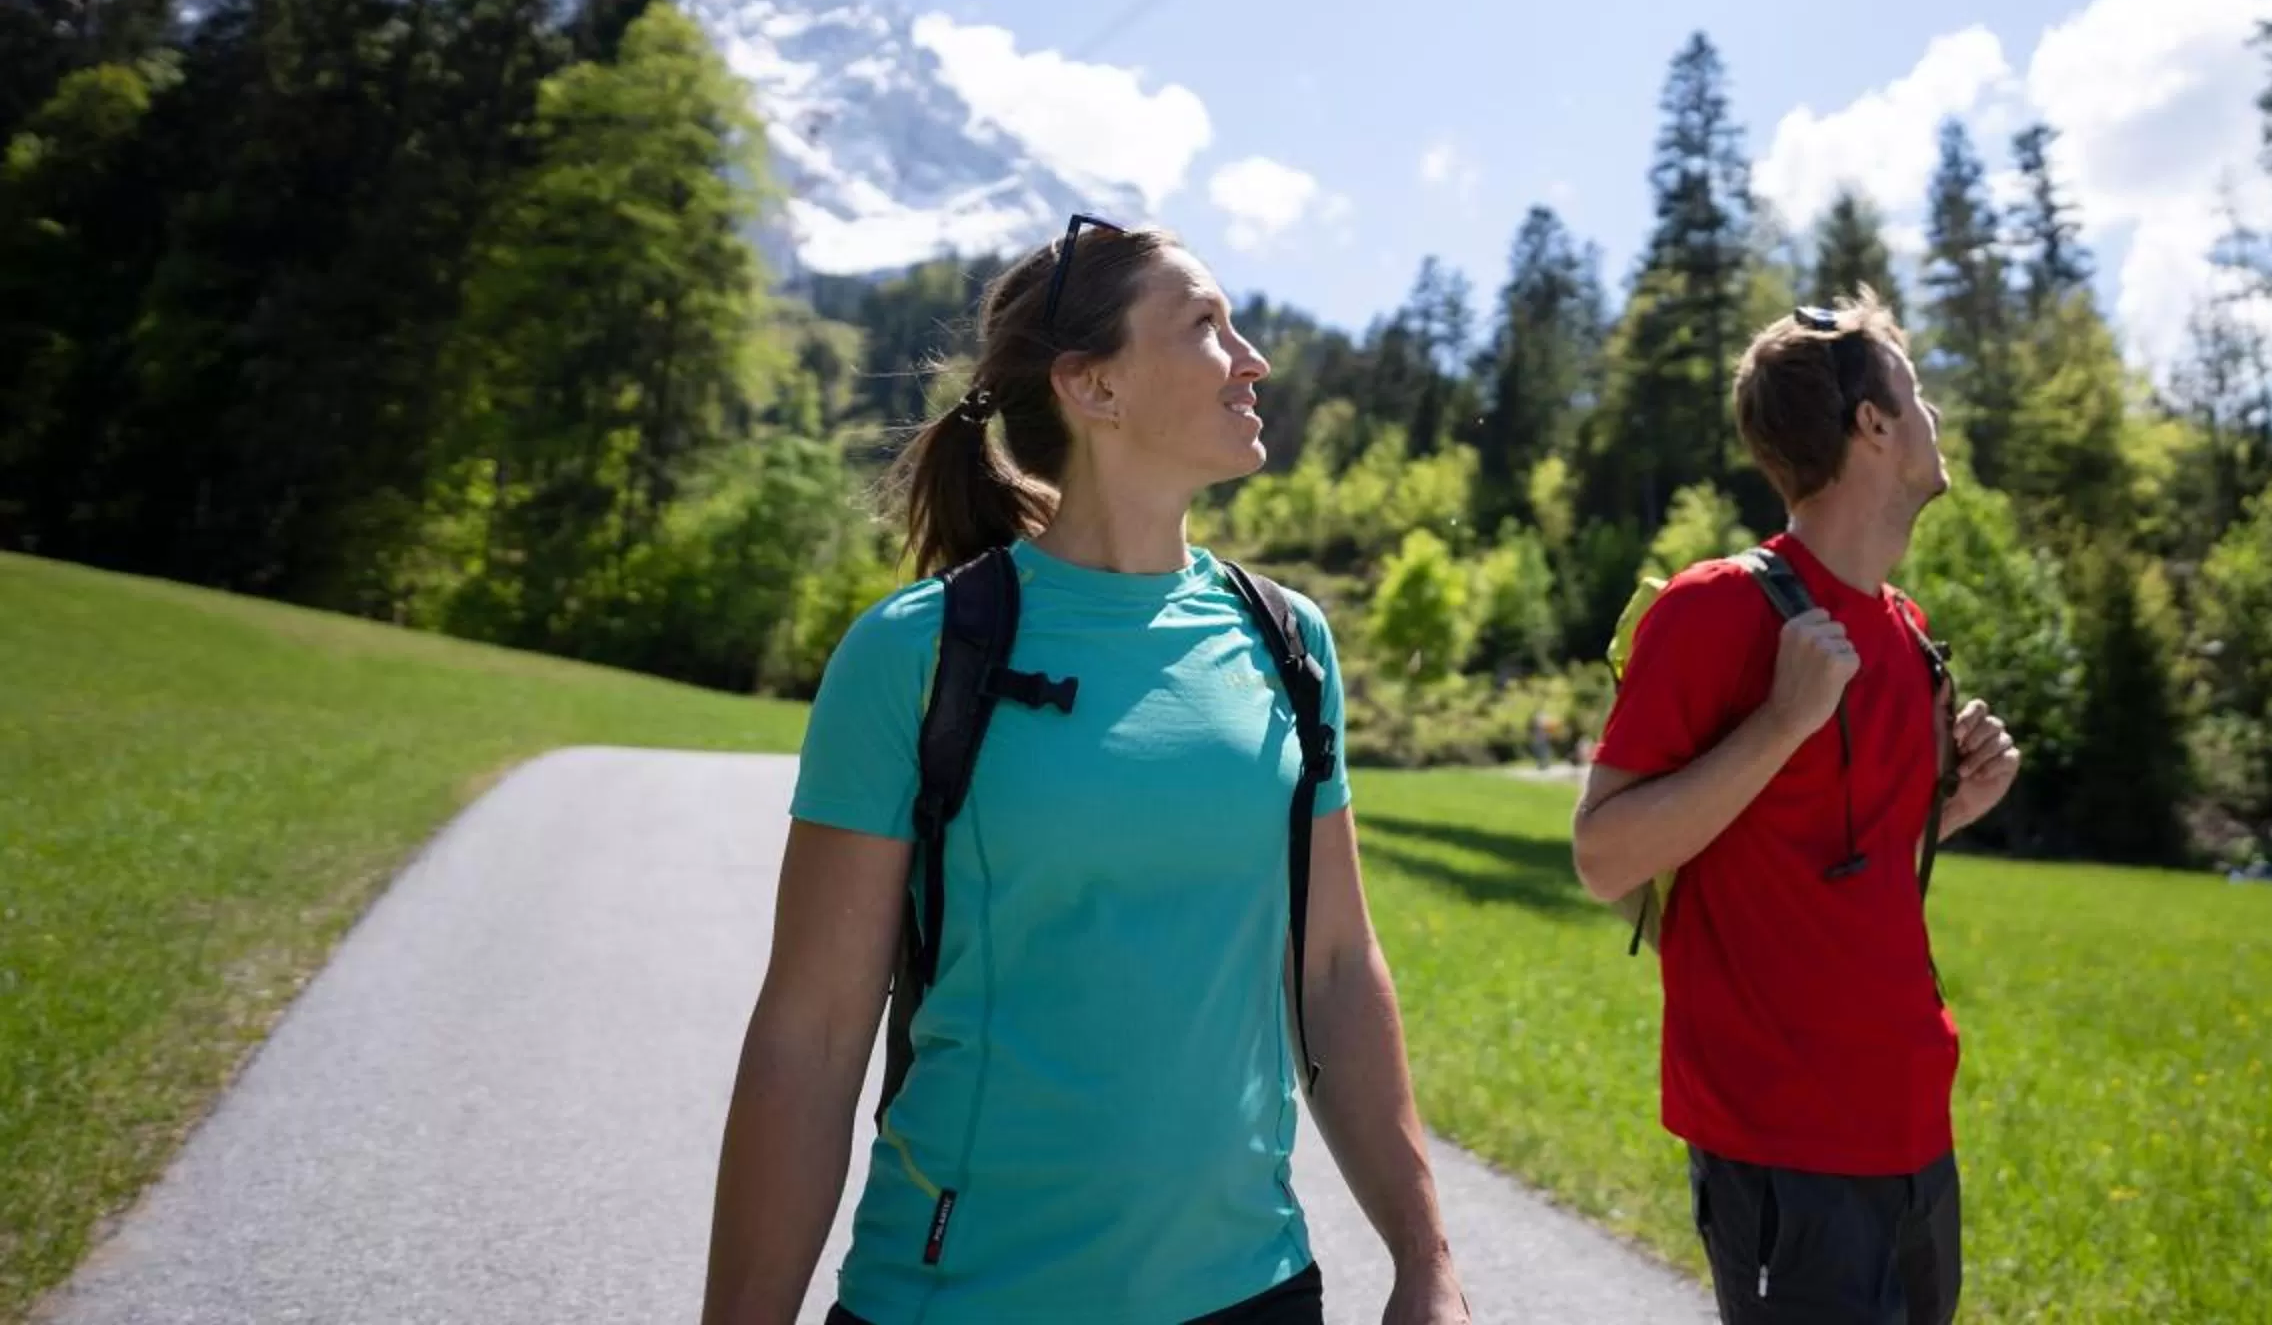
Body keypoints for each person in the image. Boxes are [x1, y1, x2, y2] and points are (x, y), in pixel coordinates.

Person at [703, 218, 1471, 1325]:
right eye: (1205, 326)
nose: (1252, 358)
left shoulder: (1287, 642)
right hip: (960, 1299)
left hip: (1252, 1291)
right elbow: (811, 1032)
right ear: (1093, 386)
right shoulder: (914, 653)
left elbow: (1339, 969)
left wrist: (1427, 1261)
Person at [1570, 294, 2021, 1325]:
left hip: (1913, 1126)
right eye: (1914, 392)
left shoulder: (1909, 635)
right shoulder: (1716, 607)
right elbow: (1603, 856)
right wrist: (1782, 720)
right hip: (1781, 1142)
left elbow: (1830, 850)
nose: (1932, 414)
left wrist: (1955, 807)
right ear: (1871, 422)